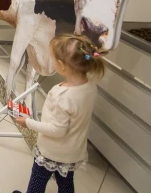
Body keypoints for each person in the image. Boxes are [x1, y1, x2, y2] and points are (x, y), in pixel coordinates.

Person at [13, 34, 105, 193]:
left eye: (53, 59)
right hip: (73, 152)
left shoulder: (61, 95)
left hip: (52, 151)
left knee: (38, 179)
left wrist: (28, 122)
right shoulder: (90, 87)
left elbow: (57, 130)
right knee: (66, 182)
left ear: (62, 66)